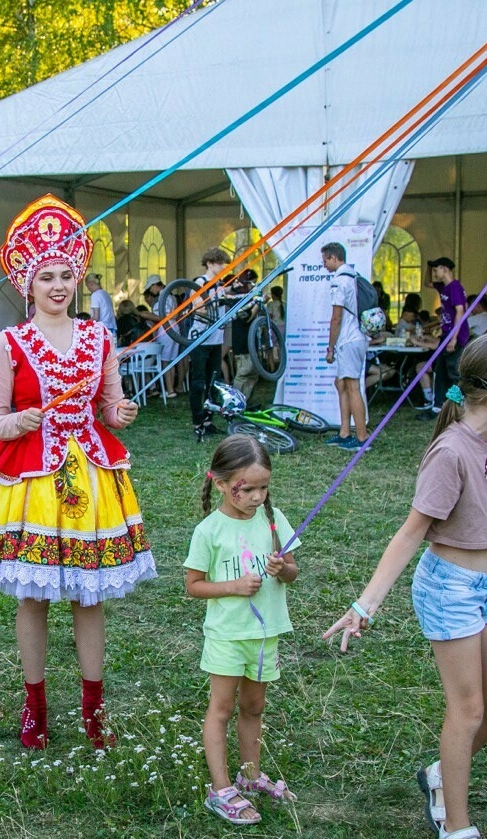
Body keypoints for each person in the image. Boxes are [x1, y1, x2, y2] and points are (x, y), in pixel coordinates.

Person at [323, 333, 487, 839]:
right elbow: (412, 533)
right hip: (450, 587)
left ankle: (440, 776)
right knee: (468, 710)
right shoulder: (449, 453)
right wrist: (365, 604)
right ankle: (456, 823)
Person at [0, 195, 156, 751]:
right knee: (34, 597)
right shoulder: (10, 342)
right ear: (27, 282)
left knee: (89, 596)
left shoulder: (99, 337)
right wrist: (18, 420)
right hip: (32, 485)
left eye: (65, 275)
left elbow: (109, 406)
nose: (57, 285)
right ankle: (36, 706)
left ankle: (94, 710)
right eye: (45, 275)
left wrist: (118, 412)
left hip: (93, 480)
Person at [186, 435, 299, 825]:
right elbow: (193, 585)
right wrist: (233, 587)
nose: (256, 496)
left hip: (265, 635)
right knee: (221, 709)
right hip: (227, 636)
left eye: (263, 487)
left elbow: (293, 570)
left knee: (254, 707)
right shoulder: (209, 531)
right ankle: (220, 790)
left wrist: (284, 569)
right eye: (246, 488)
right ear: (219, 483)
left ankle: (250, 777)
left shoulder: (272, 520)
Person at [323, 242, 370, 450]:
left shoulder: (339, 281)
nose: (324, 264)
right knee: (341, 384)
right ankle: (344, 432)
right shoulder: (354, 275)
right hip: (357, 337)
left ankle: (361, 438)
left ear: (334, 258)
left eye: (325, 260)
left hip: (348, 339)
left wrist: (330, 347)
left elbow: (336, 318)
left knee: (352, 387)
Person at [189, 248, 231, 437]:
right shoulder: (200, 283)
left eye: (224, 263)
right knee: (198, 382)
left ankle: (209, 419)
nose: (222, 266)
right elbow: (197, 309)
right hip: (200, 338)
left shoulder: (220, 285)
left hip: (216, 339)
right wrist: (215, 303)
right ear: (209, 263)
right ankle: (198, 422)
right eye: (219, 263)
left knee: (213, 381)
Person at [421, 257, 469, 418]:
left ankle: (457, 408)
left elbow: (461, 311)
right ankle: (438, 407)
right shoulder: (443, 287)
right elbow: (426, 283)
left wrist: (454, 338)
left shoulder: (454, 287)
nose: (434, 273)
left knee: (453, 373)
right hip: (446, 333)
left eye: (436, 270)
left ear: (446, 269)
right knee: (440, 370)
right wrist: (429, 266)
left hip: (454, 335)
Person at [226, 269, 262, 406]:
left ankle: (245, 401)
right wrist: (257, 305)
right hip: (242, 341)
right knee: (243, 372)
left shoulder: (248, 296)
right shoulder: (239, 297)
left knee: (253, 374)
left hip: (251, 341)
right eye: (252, 282)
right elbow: (246, 318)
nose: (254, 285)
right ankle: (234, 403)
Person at [85, 273, 118, 337]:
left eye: (87, 286)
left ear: (91, 283)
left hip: (102, 330)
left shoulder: (95, 295)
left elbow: (96, 317)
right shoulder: (106, 294)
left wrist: (84, 324)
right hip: (111, 327)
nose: (88, 288)